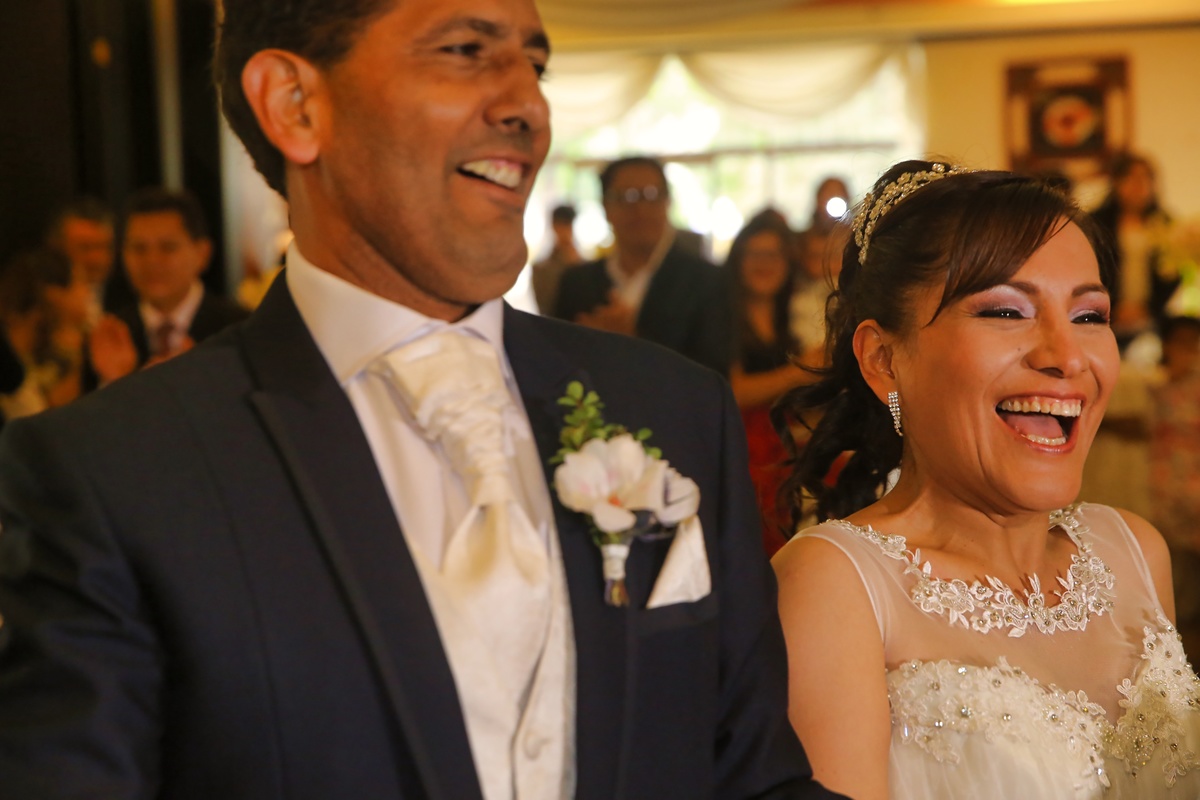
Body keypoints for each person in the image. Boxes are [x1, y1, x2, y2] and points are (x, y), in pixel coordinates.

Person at [0, 1, 838, 798]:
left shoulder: (673, 409)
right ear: (295, 105)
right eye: (466, 51)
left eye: (536, 64)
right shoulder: (115, 475)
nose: (529, 106)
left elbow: (751, 775)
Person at [772, 159, 1200, 799]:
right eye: (1005, 311)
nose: (1066, 357)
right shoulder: (838, 584)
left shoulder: (1133, 551)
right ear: (884, 360)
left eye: (1089, 317)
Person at [553, 156, 730, 374]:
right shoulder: (576, 282)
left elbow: (713, 375)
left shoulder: (708, 281)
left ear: (668, 202)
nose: (640, 209)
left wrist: (629, 342)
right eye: (627, 197)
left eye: (651, 195)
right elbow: (555, 363)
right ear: (605, 207)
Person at [725, 211, 820, 556]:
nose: (764, 264)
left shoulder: (792, 315)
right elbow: (733, 391)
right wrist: (802, 370)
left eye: (774, 255)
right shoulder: (725, 316)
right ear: (738, 260)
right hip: (745, 448)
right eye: (755, 254)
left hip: (787, 442)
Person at [87, 187, 249, 384]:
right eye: (139, 248)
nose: (152, 261)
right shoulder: (110, 334)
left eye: (168, 247)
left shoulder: (239, 329)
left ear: (202, 253)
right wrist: (115, 380)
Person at [1090, 152, 1176, 345]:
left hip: (1150, 318)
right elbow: (1090, 268)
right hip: (1104, 313)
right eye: (1131, 177)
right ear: (1117, 182)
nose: (1138, 185)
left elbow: (1172, 274)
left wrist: (1148, 309)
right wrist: (1113, 306)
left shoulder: (1166, 224)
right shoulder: (1097, 222)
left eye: (1145, 178)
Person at [44, 196, 135, 322]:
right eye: (85, 248)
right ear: (59, 246)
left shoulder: (132, 294)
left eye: (104, 247)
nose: (96, 259)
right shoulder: (43, 298)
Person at [530, 203, 581, 315]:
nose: (565, 230)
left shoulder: (583, 263)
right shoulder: (541, 268)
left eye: (567, 224)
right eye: (561, 225)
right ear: (553, 226)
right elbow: (545, 305)